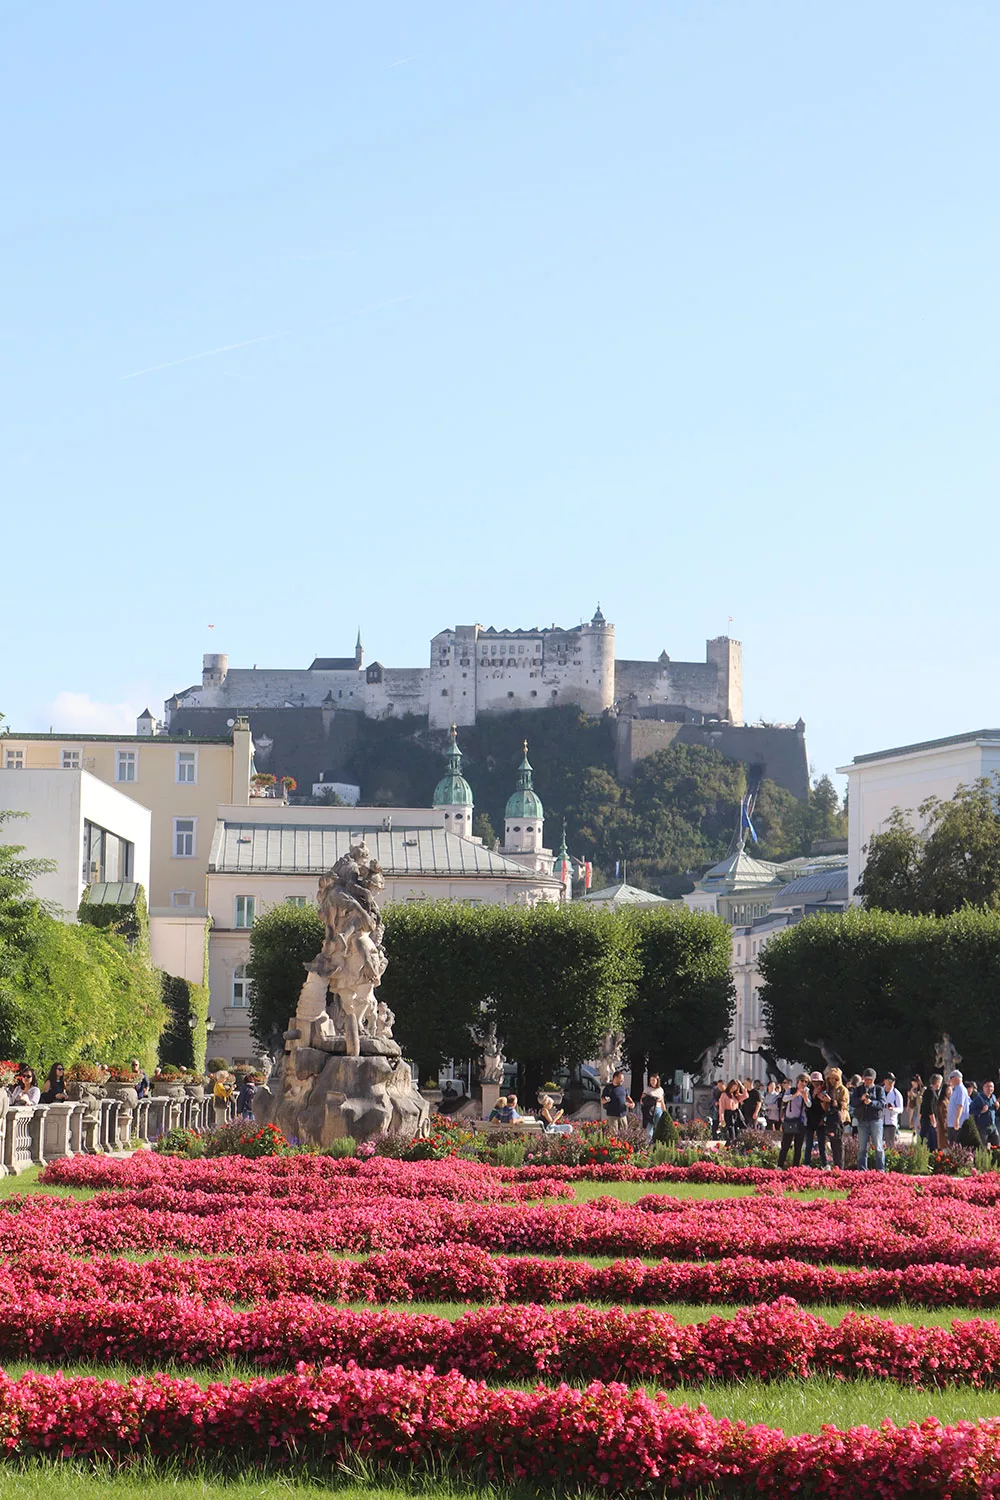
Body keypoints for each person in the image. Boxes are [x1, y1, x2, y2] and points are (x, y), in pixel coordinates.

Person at [852, 1069, 886, 1171]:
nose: (868, 1082)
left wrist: (871, 1102)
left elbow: (882, 1104)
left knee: (878, 1146)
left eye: (870, 1080)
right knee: (862, 1147)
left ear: (874, 1079)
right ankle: (862, 1169)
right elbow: (853, 1103)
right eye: (866, 1079)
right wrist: (861, 1099)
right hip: (862, 1120)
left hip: (875, 1120)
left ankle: (880, 1169)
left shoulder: (879, 1089)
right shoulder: (858, 1089)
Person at [778, 1075, 809, 1167]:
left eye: (806, 1082)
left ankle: (795, 1167)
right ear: (798, 1081)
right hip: (790, 1121)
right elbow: (785, 1099)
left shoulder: (807, 1091)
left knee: (798, 1147)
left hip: (800, 1122)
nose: (803, 1083)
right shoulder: (791, 1090)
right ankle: (780, 1165)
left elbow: (809, 1105)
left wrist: (805, 1097)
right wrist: (796, 1094)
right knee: (785, 1146)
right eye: (802, 1081)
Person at [824, 1067, 850, 1170]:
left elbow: (844, 1104)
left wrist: (831, 1101)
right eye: (830, 1079)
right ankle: (835, 1164)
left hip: (839, 1118)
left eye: (834, 1079)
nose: (832, 1081)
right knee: (832, 1143)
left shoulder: (843, 1089)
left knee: (838, 1143)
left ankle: (840, 1166)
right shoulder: (829, 1089)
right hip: (830, 1117)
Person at [803, 1071, 829, 1168]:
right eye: (814, 1082)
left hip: (821, 1121)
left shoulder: (824, 1092)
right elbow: (807, 1106)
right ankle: (806, 1164)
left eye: (818, 1082)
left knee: (822, 1145)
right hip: (810, 1120)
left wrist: (821, 1098)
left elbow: (826, 1108)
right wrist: (813, 1096)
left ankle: (825, 1164)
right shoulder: (808, 1091)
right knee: (808, 1144)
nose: (816, 1084)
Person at [601, 1070, 634, 1137]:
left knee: (625, 1133)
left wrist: (632, 1103)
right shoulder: (608, 1088)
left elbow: (627, 1097)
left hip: (623, 1115)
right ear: (615, 1078)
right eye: (621, 1079)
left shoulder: (622, 1088)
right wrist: (606, 1100)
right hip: (613, 1115)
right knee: (614, 1134)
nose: (622, 1081)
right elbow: (602, 1100)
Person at [971, 1081, 1000, 1147]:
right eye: (987, 1086)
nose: (990, 1088)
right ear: (983, 1088)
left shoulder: (993, 1097)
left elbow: (992, 1111)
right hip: (982, 1128)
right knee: (983, 1147)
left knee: (997, 1145)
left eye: (991, 1086)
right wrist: (981, 1111)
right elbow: (970, 1110)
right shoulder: (978, 1098)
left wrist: (997, 1107)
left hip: (993, 1126)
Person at [717, 1080, 747, 1144]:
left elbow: (746, 1096)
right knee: (731, 1134)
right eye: (733, 1087)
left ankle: (733, 1147)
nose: (733, 1089)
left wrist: (741, 1085)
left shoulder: (735, 1095)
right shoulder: (724, 1095)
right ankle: (729, 1147)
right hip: (728, 1115)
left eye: (735, 1088)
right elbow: (721, 1108)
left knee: (737, 1133)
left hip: (736, 1114)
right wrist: (722, 1119)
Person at [947, 1069, 970, 1145]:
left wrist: (957, 1120)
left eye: (951, 1078)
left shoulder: (961, 1089)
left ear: (956, 1078)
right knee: (951, 1146)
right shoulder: (955, 1089)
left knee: (957, 1146)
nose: (950, 1080)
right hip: (952, 1123)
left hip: (958, 1124)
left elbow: (960, 1106)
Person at [639, 1074, 665, 1142]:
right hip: (649, 1110)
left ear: (657, 1081)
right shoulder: (647, 1089)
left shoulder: (660, 1090)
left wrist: (664, 1112)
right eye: (651, 1080)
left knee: (659, 1127)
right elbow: (642, 1100)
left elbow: (662, 1101)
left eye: (653, 1080)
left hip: (658, 1109)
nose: (652, 1082)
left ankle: (658, 1142)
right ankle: (648, 1143)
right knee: (649, 1128)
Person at [920, 1073, 941, 1151]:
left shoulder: (930, 1091)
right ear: (937, 1082)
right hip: (928, 1120)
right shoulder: (930, 1092)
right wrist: (933, 1120)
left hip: (926, 1119)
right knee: (928, 1141)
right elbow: (930, 1107)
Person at [882, 1074, 904, 1149]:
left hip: (891, 1122)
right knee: (877, 1144)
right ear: (884, 1081)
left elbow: (901, 1109)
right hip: (880, 1121)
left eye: (893, 1081)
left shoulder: (896, 1093)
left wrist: (893, 1109)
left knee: (890, 1145)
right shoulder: (880, 1091)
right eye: (889, 1081)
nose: (891, 1083)